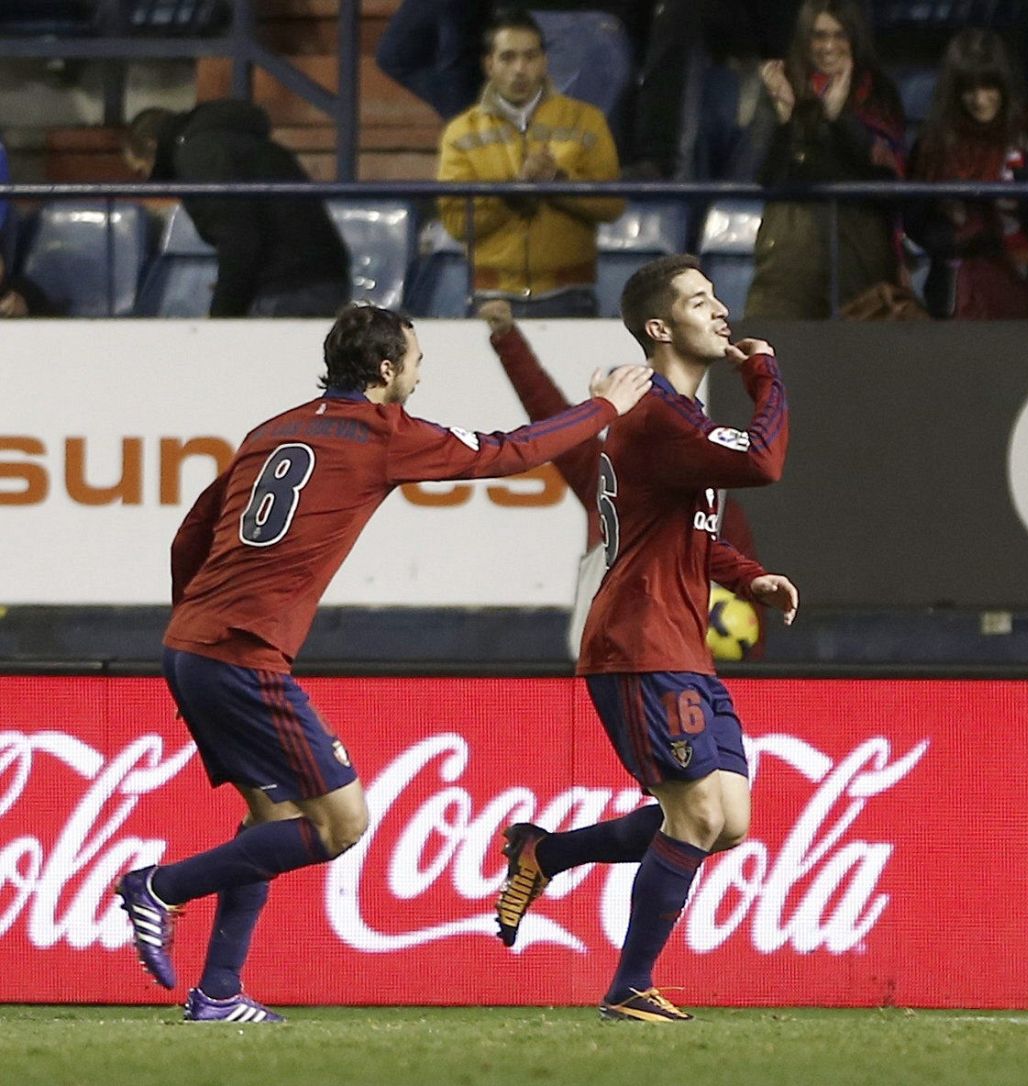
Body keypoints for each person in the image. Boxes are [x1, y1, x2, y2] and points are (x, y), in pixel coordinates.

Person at [114, 304, 653, 1023]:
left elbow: (189, 537)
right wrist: (603, 408)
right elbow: (511, 452)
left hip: (191, 645)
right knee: (339, 824)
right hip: (243, 653)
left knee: (270, 814)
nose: (421, 375)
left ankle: (218, 991)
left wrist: (192, 629)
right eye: (417, 361)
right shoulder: (382, 433)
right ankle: (160, 887)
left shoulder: (271, 429)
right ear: (388, 368)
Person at [492, 254, 795, 1023]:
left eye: (716, 296)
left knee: (727, 821)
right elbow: (764, 461)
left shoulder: (678, 419)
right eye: (699, 300)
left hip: (681, 643)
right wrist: (765, 376)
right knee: (695, 817)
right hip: (639, 640)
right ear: (660, 328)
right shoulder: (656, 414)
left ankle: (546, 852)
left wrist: (748, 577)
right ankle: (629, 987)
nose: (720, 309)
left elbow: (686, 533)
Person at [479, 299, 766, 659]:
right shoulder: (601, 474)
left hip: (677, 673)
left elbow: (749, 615)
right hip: (599, 670)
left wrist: (748, 677)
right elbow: (548, 411)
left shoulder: (720, 509)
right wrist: (507, 338)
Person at [437, 9, 625, 319]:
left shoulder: (586, 121)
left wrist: (558, 182)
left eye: (530, 57)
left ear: (545, 61)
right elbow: (457, 223)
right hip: (491, 298)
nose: (520, 69)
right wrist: (515, 193)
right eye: (508, 58)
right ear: (489, 64)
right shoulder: (460, 132)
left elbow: (611, 205)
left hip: (570, 295)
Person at [906, 28, 1028, 319]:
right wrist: (951, 240)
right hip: (961, 294)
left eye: (988, 87)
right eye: (968, 89)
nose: (980, 100)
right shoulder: (935, 143)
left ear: (1005, 85)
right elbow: (915, 219)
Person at [744, 0, 906, 318]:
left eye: (839, 35)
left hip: (861, 250)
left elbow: (883, 180)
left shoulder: (878, 92)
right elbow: (765, 176)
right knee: (772, 340)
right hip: (790, 251)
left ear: (855, 38)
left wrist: (837, 119)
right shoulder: (782, 87)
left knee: (860, 345)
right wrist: (788, 119)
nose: (828, 47)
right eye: (818, 36)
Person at [122, 103, 351, 318]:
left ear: (152, 146)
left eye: (143, 171)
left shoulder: (200, 154)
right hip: (314, 276)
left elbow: (238, 238)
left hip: (288, 286)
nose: (150, 180)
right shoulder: (230, 141)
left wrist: (224, 312)